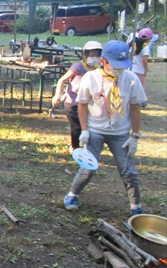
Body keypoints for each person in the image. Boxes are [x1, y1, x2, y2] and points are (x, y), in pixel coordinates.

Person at [63, 40, 147, 215]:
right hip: (95, 129)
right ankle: (72, 195)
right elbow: (82, 105)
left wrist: (135, 136)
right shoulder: (90, 78)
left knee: (128, 170)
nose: (119, 69)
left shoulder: (130, 79)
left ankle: (136, 207)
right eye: (115, 65)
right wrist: (84, 130)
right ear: (103, 62)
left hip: (120, 132)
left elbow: (135, 107)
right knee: (88, 167)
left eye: (122, 66)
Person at [52, 41, 102, 153]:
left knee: (88, 126)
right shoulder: (78, 67)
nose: (94, 58)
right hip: (72, 102)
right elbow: (62, 80)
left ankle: (88, 149)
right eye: (91, 55)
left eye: (97, 55)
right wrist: (57, 95)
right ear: (85, 55)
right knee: (76, 127)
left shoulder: (97, 69)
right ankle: (74, 147)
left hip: (87, 103)